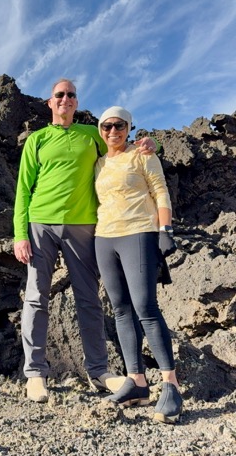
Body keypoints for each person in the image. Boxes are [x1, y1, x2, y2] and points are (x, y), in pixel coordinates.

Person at [13, 79, 158, 403]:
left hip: (84, 226)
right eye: (59, 95)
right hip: (41, 224)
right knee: (37, 297)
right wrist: (20, 234)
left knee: (89, 299)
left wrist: (150, 145)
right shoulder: (37, 140)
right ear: (50, 103)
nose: (65, 98)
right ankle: (35, 373)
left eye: (71, 95)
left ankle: (99, 371)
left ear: (77, 103)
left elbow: (124, 148)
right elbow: (23, 190)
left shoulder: (91, 134)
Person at [94, 106, 182, 424]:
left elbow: (160, 192)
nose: (113, 131)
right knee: (120, 309)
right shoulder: (99, 163)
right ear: (100, 130)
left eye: (119, 126)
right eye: (106, 126)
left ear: (129, 127)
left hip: (139, 233)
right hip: (104, 239)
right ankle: (137, 383)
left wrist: (165, 230)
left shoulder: (143, 154)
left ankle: (170, 385)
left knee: (145, 306)